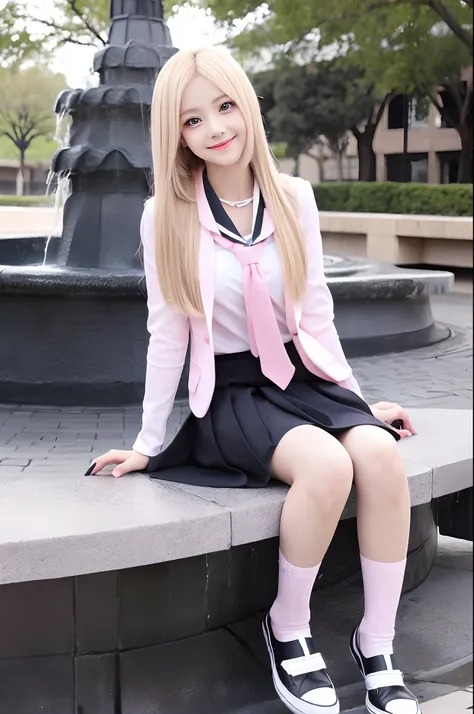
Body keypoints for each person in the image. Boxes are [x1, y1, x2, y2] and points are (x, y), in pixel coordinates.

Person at [86, 46, 420, 714]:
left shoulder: (293, 197)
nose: (214, 127)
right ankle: (287, 626)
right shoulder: (168, 215)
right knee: (326, 467)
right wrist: (150, 441)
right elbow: (167, 332)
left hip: (303, 377)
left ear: (247, 104)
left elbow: (317, 315)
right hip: (233, 392)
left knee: (378, 452)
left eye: (225, 105)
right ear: (175, 135)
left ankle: (376, 643)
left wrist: (355, 403)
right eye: (192, 120)